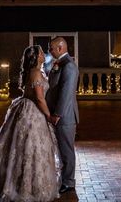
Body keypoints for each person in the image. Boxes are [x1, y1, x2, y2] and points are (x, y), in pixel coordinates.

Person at [0, 45, 61, 202]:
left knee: (22, 148)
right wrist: (49, 116)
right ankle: (25, 187)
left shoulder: (36, 71)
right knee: (29, 148)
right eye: (40, 53)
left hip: (26, 108)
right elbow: (39, 98)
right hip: (33, 113)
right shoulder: (36, 72)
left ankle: (22, 182)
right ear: (36, 57)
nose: (43, 55)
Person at [45, 37, 79, 194]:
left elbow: (66, 93)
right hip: (57, 114)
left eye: (51, 48)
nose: (49, 51)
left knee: (66, 150)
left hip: (65, 117)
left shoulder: (69, 66)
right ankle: (64, 179)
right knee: (61, 149)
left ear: (60, 48)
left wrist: (57, 114)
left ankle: (69, 182)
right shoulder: (59, 64)